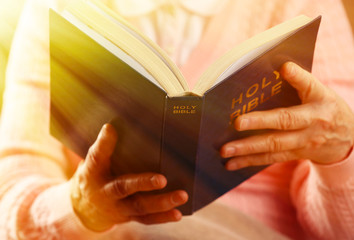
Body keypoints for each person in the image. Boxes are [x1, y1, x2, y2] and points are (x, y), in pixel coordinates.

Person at [0, 0, 353, 239]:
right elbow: (12, 196)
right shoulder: (58, 12)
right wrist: (78, 207)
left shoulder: (301, 5)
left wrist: (339, 156)